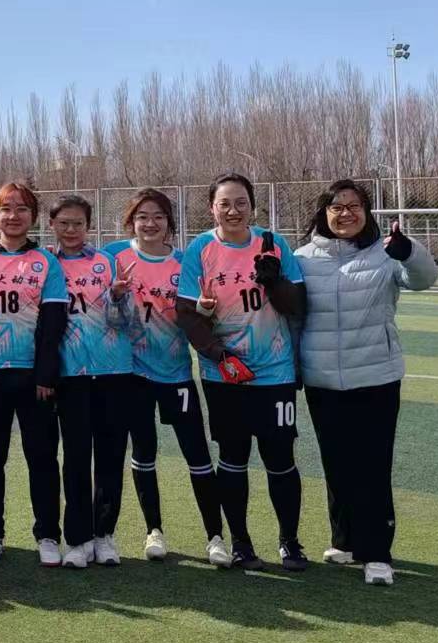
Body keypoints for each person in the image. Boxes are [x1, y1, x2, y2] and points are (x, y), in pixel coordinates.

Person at [295, 179, 437, 587]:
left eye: (354, 206)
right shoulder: (302, 258)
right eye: (337, 207)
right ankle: (344, 540)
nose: (346, 214)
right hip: (322, 379)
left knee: (373, 466)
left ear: (367, 211)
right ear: (324, 213)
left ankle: (376, 553)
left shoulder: (385, 253)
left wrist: (408, 250)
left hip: (376, 377)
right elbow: (291, 311)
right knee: (335, 463)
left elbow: (424, 279)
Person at [176, 174, 308, 572]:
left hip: (275, 373)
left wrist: (275, 281)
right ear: (211, 208)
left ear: (252, 206)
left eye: (241, 203)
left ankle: (290, 541)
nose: (233, 211)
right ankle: (241, 542)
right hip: (225, 374)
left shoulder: (273, 243)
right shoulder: (200, 249)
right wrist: (220, 356)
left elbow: (297, 305)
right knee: (233, 457)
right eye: (224, 204)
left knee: (280, 457)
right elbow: (187, 315)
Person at [103, 190, 231, 568]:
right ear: (131, 222)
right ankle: (154, 531)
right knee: (144, 452)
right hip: (134, 375)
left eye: (158, 216)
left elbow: (201, 313)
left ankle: (215, 536)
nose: (150, 223)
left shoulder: (185, 262)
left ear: (169, 222)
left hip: (176, 373)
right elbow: (74, 264)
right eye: (142, 216)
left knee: (198, 455)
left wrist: (205, 310)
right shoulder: (113, 256)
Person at [0, 181, 68, 566]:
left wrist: (46, 375)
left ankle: (48, 535)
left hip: (32, 375)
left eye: (22, 209)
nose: (14, 216)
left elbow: (53, 323)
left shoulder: (46, 261)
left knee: (42, 457)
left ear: (33, 216)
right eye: (6, 209)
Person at [46, 194, 135, 569]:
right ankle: (77, 539)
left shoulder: (107, 262)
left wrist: (117, 297)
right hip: (70, 375)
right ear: (52, 225)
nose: (71, 230)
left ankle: (104, 535)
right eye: (64, 223)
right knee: (77, 458)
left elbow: (124, 321)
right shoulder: (44, 263)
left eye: (78, 223)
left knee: (111, 457)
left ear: (89, 225)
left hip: (114, 371)